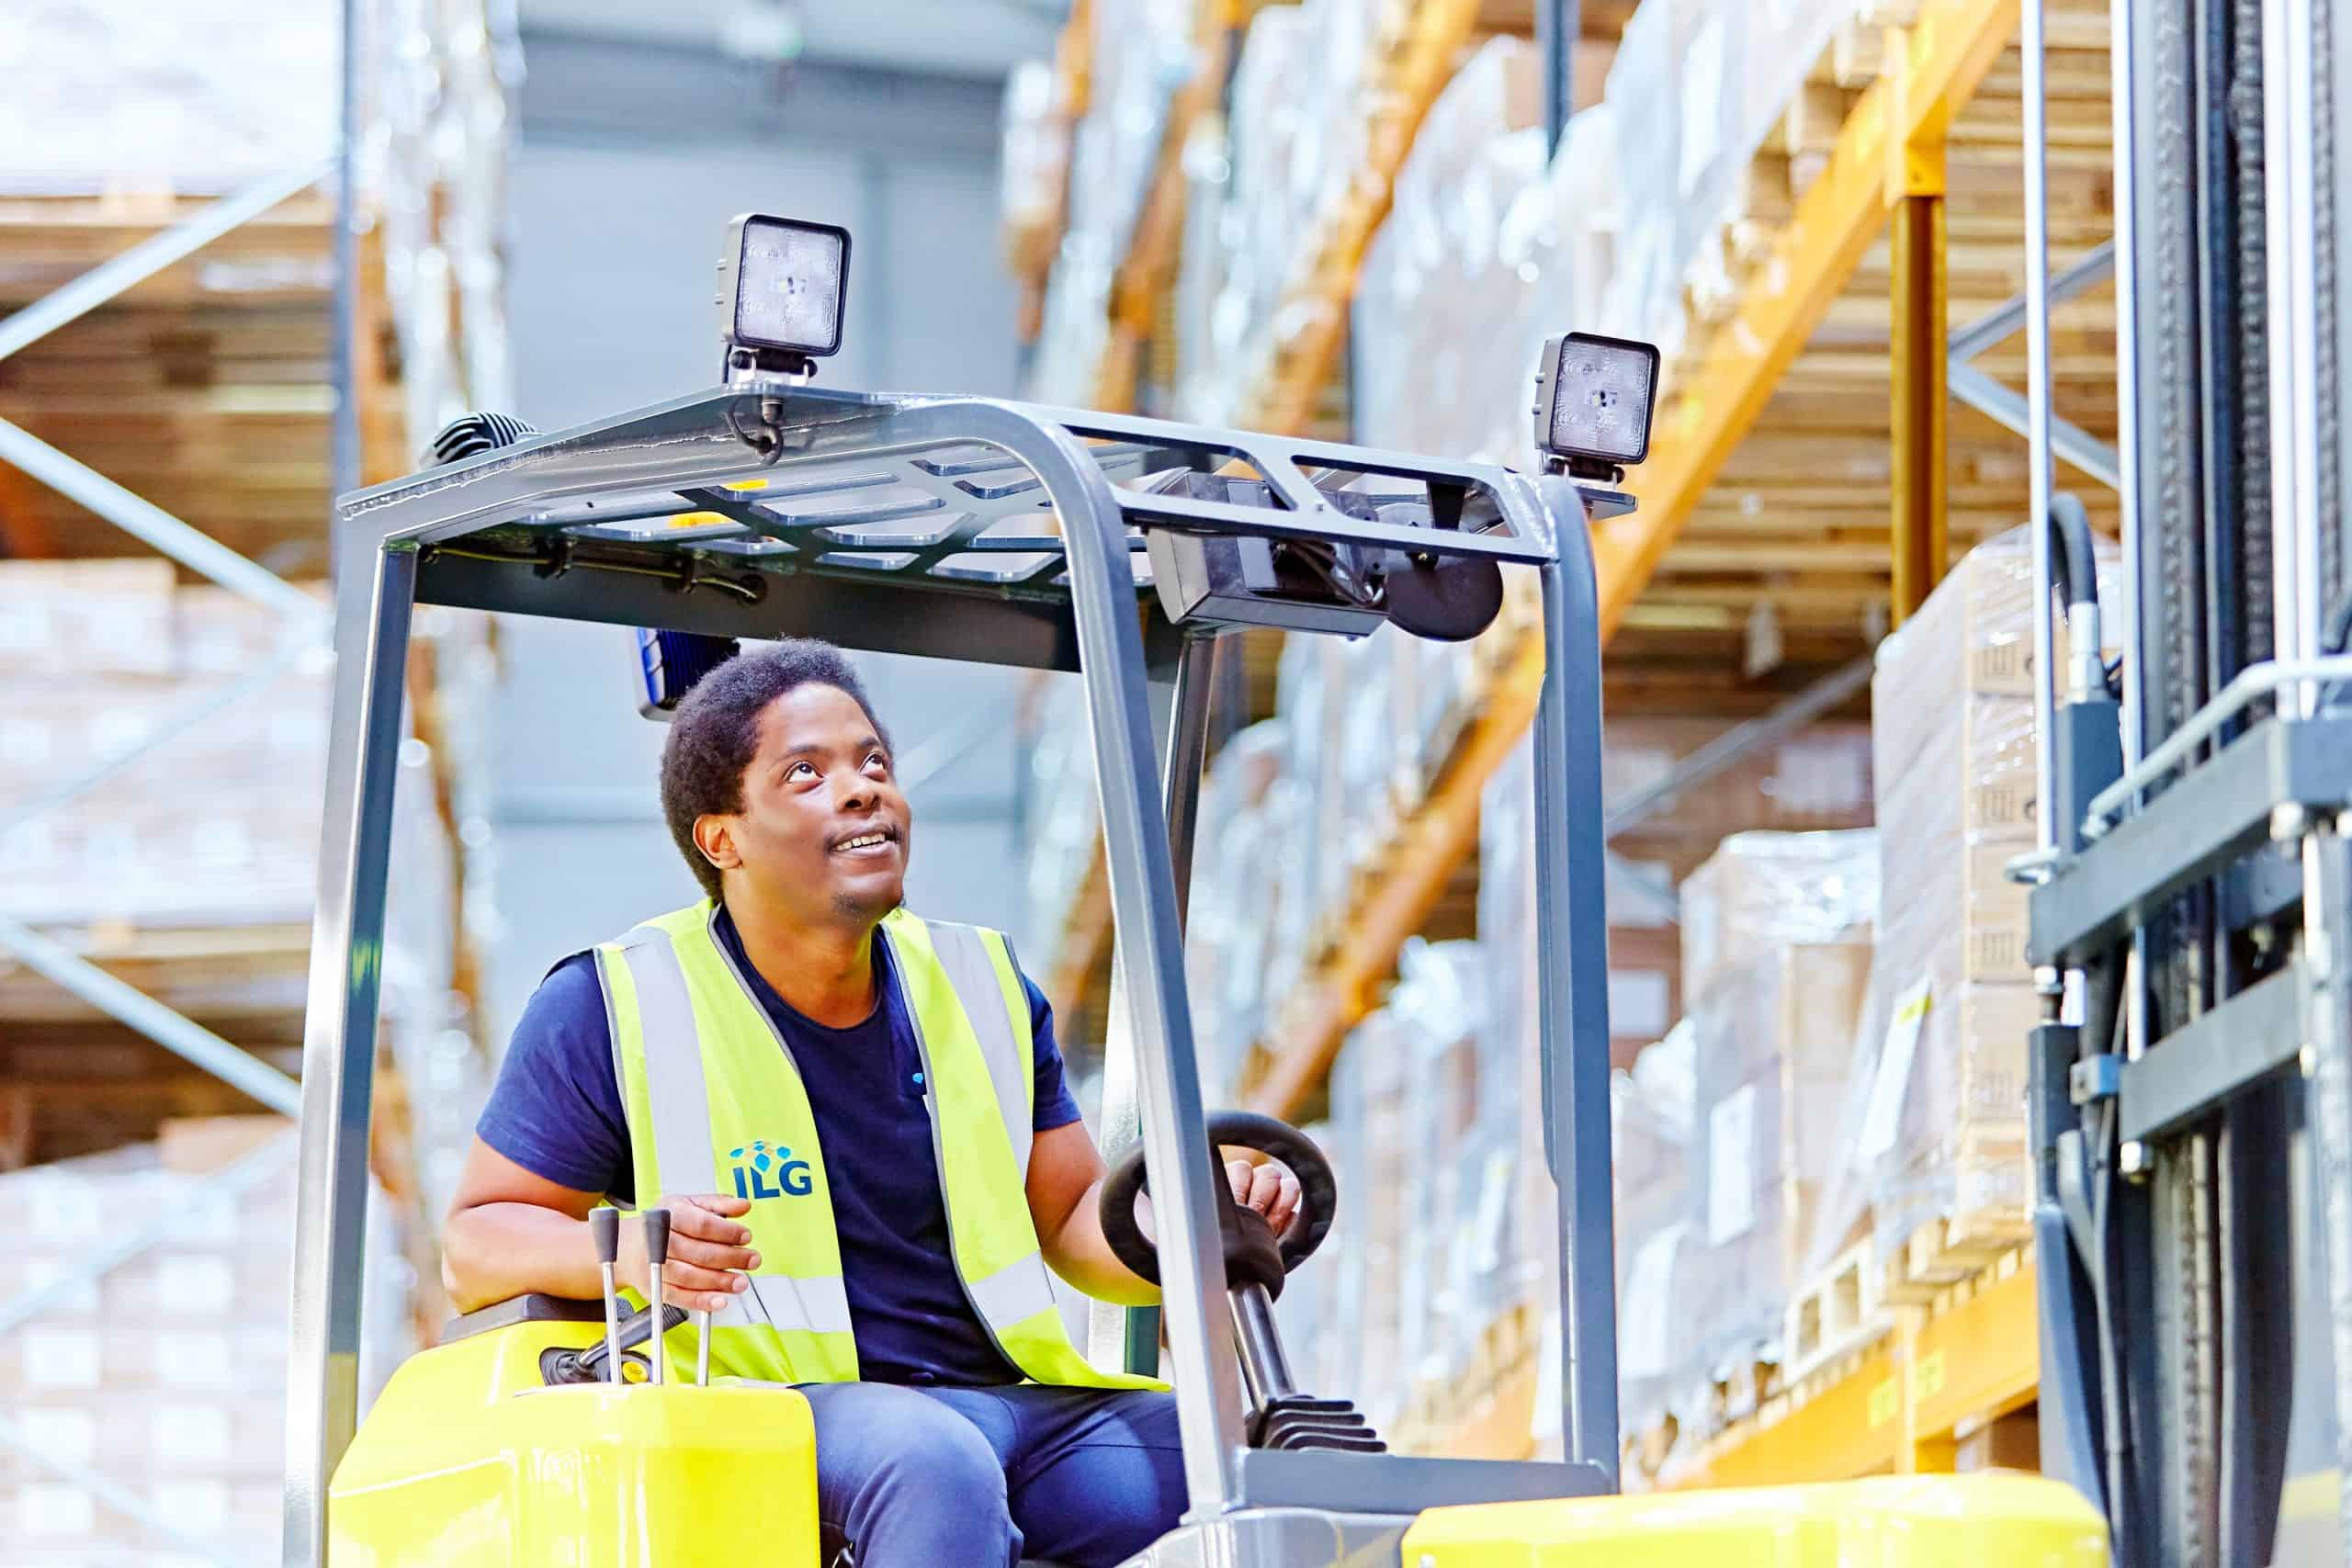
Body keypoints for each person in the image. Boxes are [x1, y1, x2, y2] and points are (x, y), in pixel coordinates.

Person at [441, 637, 1300, 1568]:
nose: (862, 790)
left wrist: (1191, 1220)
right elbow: (474, 1242)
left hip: (1007, 1406)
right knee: (931, 1465)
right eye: (805, 773)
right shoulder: (612, 1003)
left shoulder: (984, 985)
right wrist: (632, 1251)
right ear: (721, 837)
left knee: (1224, 1466)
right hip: (770, 1412)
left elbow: (1071, 1222)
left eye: (873, 763)